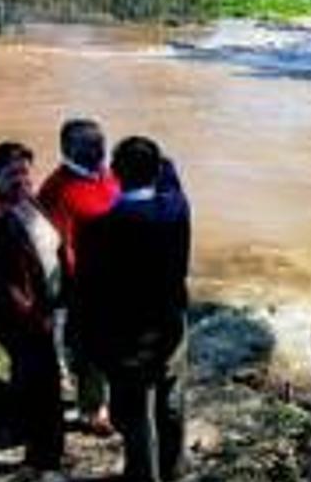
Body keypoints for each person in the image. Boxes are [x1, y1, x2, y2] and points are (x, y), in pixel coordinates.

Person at [77, 137, 190, 482]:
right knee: (170, 404)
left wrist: (87, 342)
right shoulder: (176, 209)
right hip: (170, 327)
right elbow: (169, 175)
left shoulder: (97, 229)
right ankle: (173, 471)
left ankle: (142, 476)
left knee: (133, 414)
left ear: (114, 172)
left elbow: (89, 293)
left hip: (124, 340)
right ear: (157, 171)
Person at [0, 142, 66, 482]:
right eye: (12, 173)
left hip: (43, 309)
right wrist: (33, 318)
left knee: (32, 380)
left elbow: (48, 248)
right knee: (43, 385)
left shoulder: (28, 201)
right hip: (20, 317)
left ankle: (33, 444)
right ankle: (43, 463)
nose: (21, 178)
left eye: (25, 171)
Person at [38, 118, 120, 436]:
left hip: (115, 279)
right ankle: (93, 411)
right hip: (85, 288)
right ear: (68, 150)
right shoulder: (57, 190)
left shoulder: (108, 176)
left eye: (100, 144)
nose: (98, 151)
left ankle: (111, 399)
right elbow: (61, 251)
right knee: (92, 351)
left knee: (115, 346)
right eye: (89, 146)